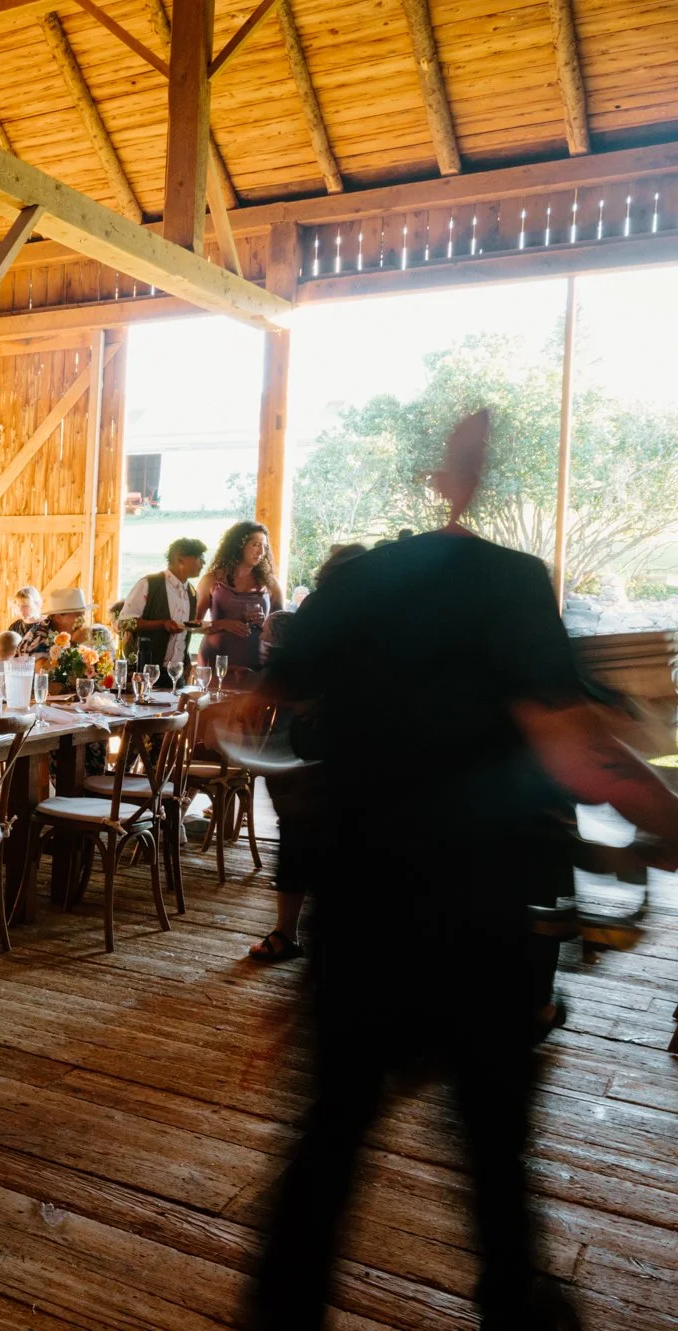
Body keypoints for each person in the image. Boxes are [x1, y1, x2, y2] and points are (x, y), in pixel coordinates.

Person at [245, 411, 678, 1331]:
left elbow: (252, 713)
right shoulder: (511, 584)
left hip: (361, 918)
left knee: (326, 1146)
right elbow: (569, 748)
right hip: (482, 928)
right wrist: (659, 821)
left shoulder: (353, 582)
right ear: (481, 474)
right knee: (493, 1160)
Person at [249, 542, 368, 964]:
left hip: (334, 743)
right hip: (325, 741)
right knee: (306, 836)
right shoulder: (342, 607)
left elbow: (292, 670)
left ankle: (291, 934)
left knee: (307, 836)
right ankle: (294, 934)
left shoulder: (337, 607)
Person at [199, 520, 285, 678]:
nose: (261, 552)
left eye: (264, 546)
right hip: (216, 661)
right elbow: (191, 624)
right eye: (255, 544)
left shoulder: (271, 584)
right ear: (239, 545)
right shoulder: (211, 580)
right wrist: (221, 624)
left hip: (257, 664)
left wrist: (265, 622)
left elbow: (282, 630)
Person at [119, 537, 207, 682]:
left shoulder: (192, 593)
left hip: (177, 674)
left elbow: (183, 637)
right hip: (146, 672)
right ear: (181, 560)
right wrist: (162, 624)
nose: (203, 562)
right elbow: (123, 624)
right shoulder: (149, 584)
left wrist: (187, 661)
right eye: (199, 557)